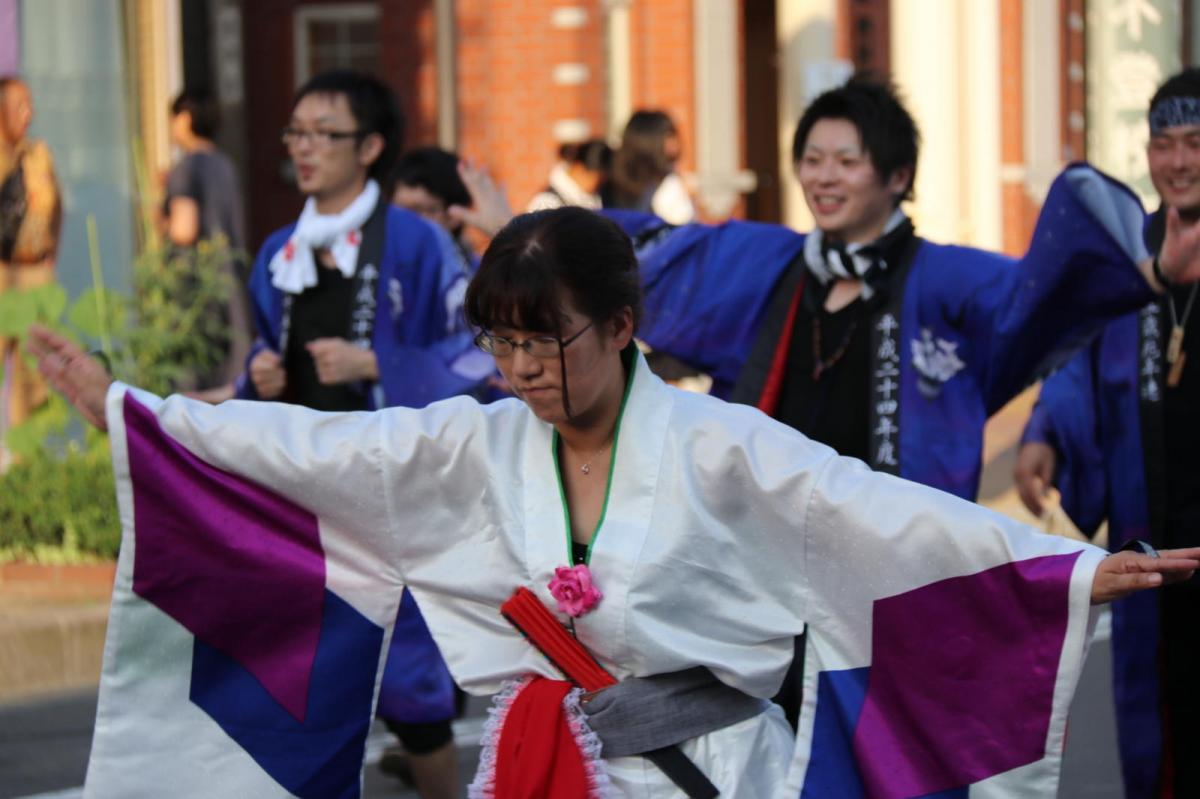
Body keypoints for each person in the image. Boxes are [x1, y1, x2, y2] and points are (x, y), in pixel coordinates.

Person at [27, 205, 1200, 798]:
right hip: (534, 768)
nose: (524, 370)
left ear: (625, 328)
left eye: (547, 342)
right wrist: (135, 414)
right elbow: (311, 458)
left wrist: (1078, 571)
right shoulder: (466, 446)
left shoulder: (722, 447)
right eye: (502, 346)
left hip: (707, 771)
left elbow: (876, 518)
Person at [239, 70, 480, 799]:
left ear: (370, 146)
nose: (303, 148)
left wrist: (381, 362)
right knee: (306, 684)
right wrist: (261, 375)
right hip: (302, 494)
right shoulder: (279, 250)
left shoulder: (417, 243)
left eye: (323, 133)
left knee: (413, 686)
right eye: (295, 132)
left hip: (392, 490)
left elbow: (480, 354)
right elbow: (256, 361)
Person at [1014, 68, 1200, 799]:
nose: (1178, 161)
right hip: (1149, 539)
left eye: (1195, 142)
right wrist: (1043, 429)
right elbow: (1075, 353)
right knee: (1155, 726)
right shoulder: (1127, 255)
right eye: (1163, 144)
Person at [162, 88, 251, 400]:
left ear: (185, 119)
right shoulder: (225, 164)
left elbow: (183, 230)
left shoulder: (186, 168)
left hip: (197, 293)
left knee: (191, 393)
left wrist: (160, 220)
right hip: (230, 288)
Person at [0, 76, 60, 467]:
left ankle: (28, 469)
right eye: (19, 104)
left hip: (35, 274)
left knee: (34, 378)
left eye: (30, 104)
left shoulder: (39, 154)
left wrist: (50, 250)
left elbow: (58, 204)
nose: (29, 113)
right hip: (1, 275)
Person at [604, 110, 696, 224]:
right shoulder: (608, 181)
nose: (675, 142)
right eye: (669, 136)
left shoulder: (671, 179)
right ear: (647, 141)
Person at [526, 139, 611, 212]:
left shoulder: (599, 198)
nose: (600, 184)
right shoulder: (547, 203)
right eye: (599, 178)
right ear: (579, 168)